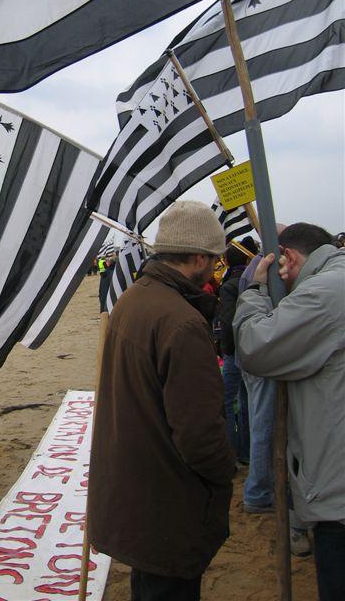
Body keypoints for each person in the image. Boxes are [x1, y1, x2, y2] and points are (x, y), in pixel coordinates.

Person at [88, 201, 236, 601]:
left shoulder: (134, 297)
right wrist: (227, 471)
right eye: (214, 258)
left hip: (140, 488)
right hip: (168, 499)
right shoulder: (182, 322)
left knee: (151, 583)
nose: (216, 266)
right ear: (199, 258)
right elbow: (200, 435)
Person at [234, 223, 345, 601]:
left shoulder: (324, 292)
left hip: (337, 493)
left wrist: (256, 291)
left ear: (288, 257)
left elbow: (255, 347)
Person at [217, 243, 252, 465]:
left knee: (227, 402)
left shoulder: (229, 286)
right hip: (253, 350)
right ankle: (246, 452)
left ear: (227, 261)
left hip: (234, 351)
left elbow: (229, 322)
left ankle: (232, 453)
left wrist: (225, 348)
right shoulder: (254, 281)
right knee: (247, 403)